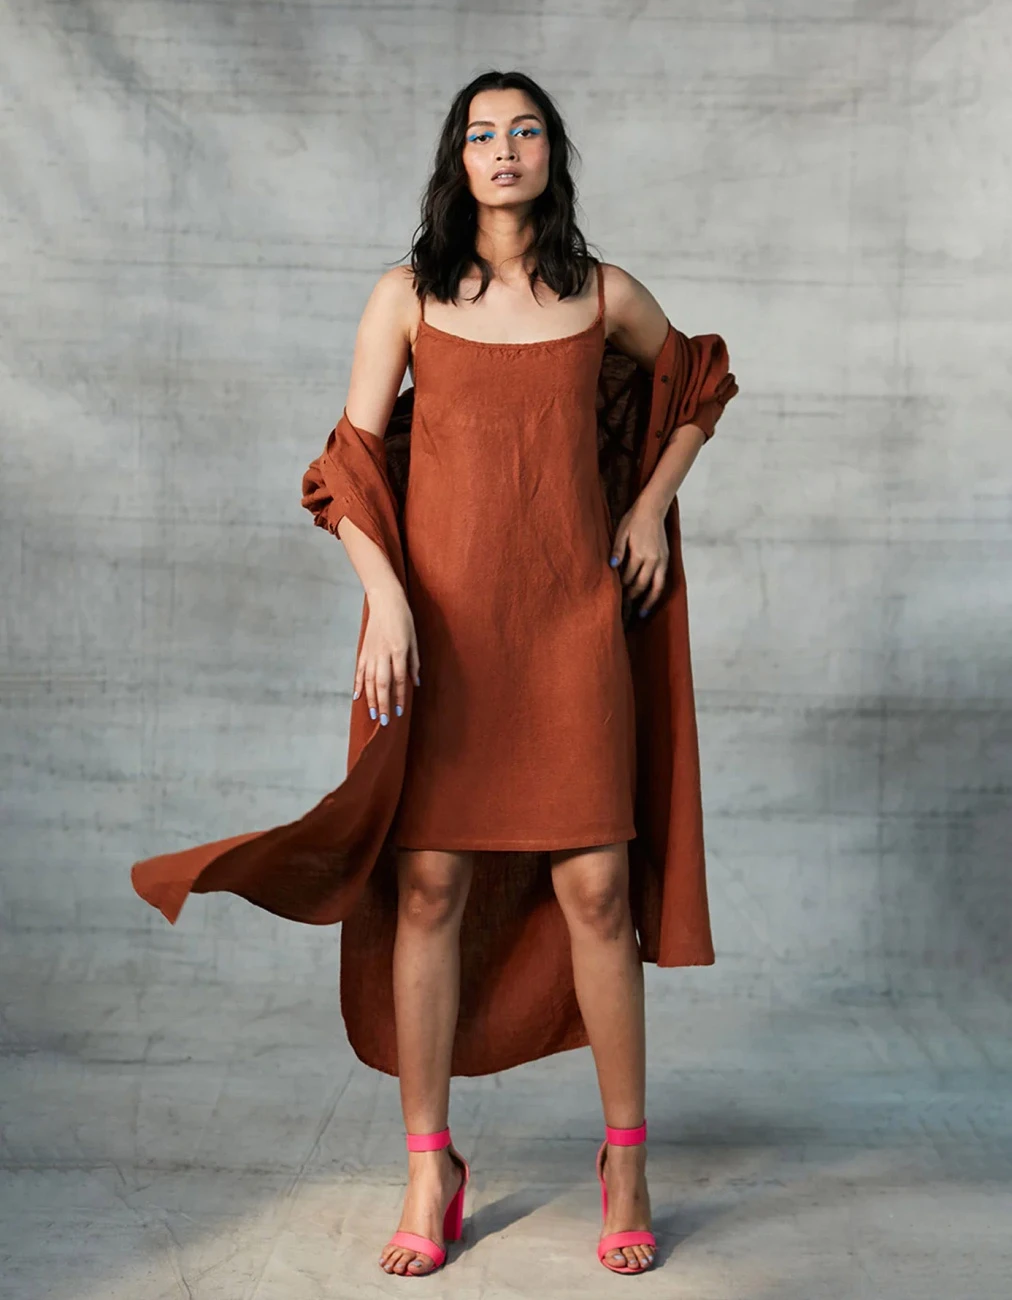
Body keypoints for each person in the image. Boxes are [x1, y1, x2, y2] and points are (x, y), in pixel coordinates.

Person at [336, 70, 719, 1278]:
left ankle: (626, 1160)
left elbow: (700, 379)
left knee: (599, 889)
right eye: (480, 134)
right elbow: (348, 465)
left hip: (567, 627)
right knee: (429, 888)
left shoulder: (602, 294)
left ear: (551, 153)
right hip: (442, 634)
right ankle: (428, 1165)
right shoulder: (407, 296)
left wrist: (648, 507)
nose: (502, 149)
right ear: (457, 160)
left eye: (525, 130)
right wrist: (383, 595)